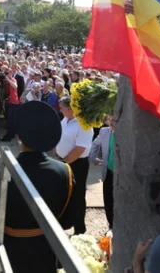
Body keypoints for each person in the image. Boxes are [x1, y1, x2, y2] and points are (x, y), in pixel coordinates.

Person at [0, 101, 80, 273]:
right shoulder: (64, 171)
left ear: (19, 138)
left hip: (10, 249)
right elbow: (68, 219)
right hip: (46, 249)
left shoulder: (2, 169)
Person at [56, 96, 93, 234]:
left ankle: (79, 228)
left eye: (62, 108)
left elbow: (79, 149)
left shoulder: (83, 125)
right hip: (63, 161)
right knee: (65, 194)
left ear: (71, 109)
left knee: (77, 196)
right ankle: (66, 222)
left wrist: (64, 162)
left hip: (77, 164)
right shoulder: (66, 119)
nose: (60, 111)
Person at [90, 114, 116, 230]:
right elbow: (95, 144)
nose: (111, 122)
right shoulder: (104, 131)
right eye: (109, 119)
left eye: (114, 120)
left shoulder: (125, 133)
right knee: (108, 200)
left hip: (120, 176)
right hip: (108, 172)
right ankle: (111, 225)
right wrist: (94, 158)